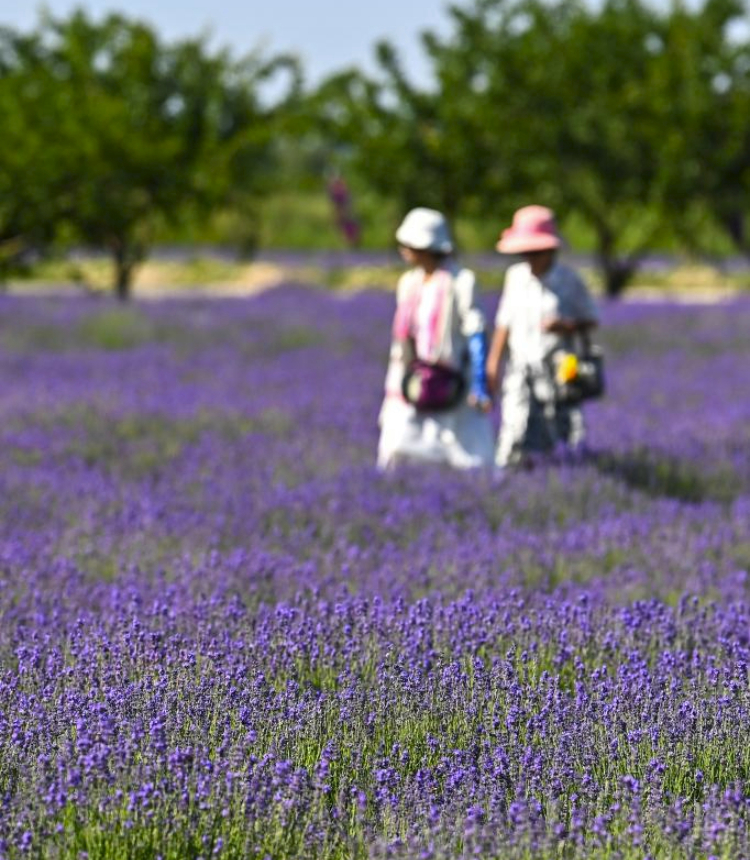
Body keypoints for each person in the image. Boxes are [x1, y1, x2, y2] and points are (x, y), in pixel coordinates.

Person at [377, 207, 495, 471]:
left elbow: (476, 330)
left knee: (466, 448)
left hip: (453, 377)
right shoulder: (409, 282)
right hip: (414, 376)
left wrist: (480, 382)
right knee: (398, 440)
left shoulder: (461, 281)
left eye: (408, 244)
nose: (403, 249)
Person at [486, 205, 599, 468]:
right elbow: (504, 322)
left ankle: (560, 474)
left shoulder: (569, 281)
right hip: (520, 368)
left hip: (560, 370)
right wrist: (492, 364)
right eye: (526, 252)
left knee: (559, 430)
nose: (530, 258)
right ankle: (508, 479)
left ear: (551, 250)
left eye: (535, 252)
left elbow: (591, 319)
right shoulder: (515, 277)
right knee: (514, 428)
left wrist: (565, 326)